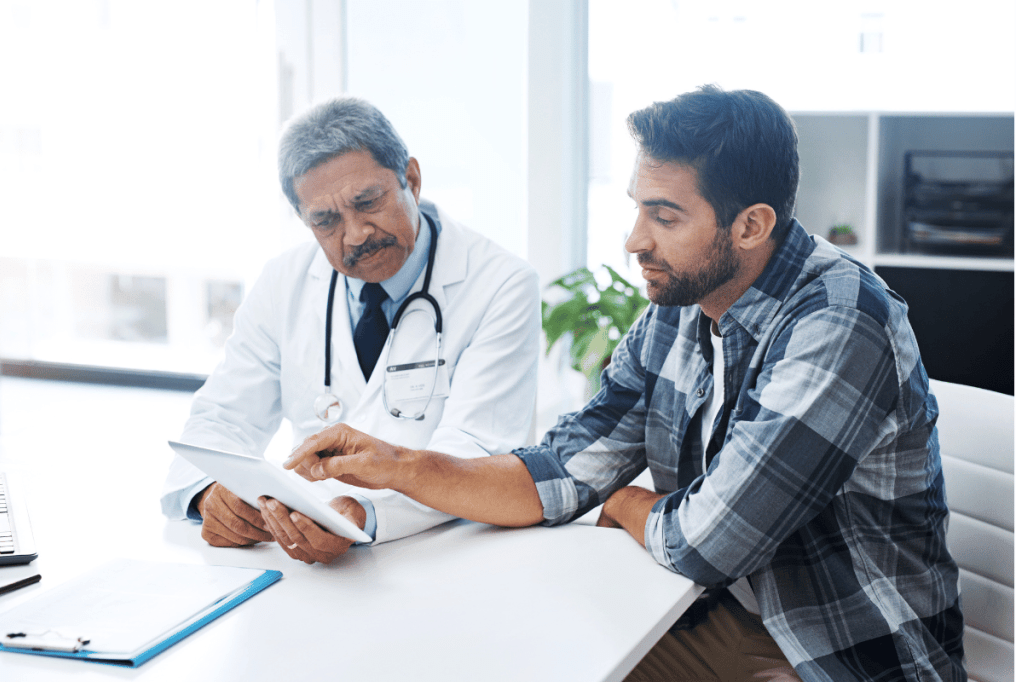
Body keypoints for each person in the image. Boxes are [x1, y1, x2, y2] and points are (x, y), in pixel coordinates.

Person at [281, 86, 965, 681]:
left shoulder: (840, 320)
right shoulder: (681, 308)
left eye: (665, 217)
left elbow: (708, 542)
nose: (635, 240)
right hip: (711, 617)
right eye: (638, 208)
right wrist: (397, 465)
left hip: (839, 655)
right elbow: (561, 471)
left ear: (750, 225)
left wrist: (632, 503)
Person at [161, 97, 540, 564]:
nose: (356, 234)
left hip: (447, 556)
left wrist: (365, 514)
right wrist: (211, 493)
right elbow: (221, 419)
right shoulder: (284, 282)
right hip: (311, 560)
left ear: (412, 180)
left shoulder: (501, 284)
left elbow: (477, 454)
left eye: (368, 202)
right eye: (326, 220)